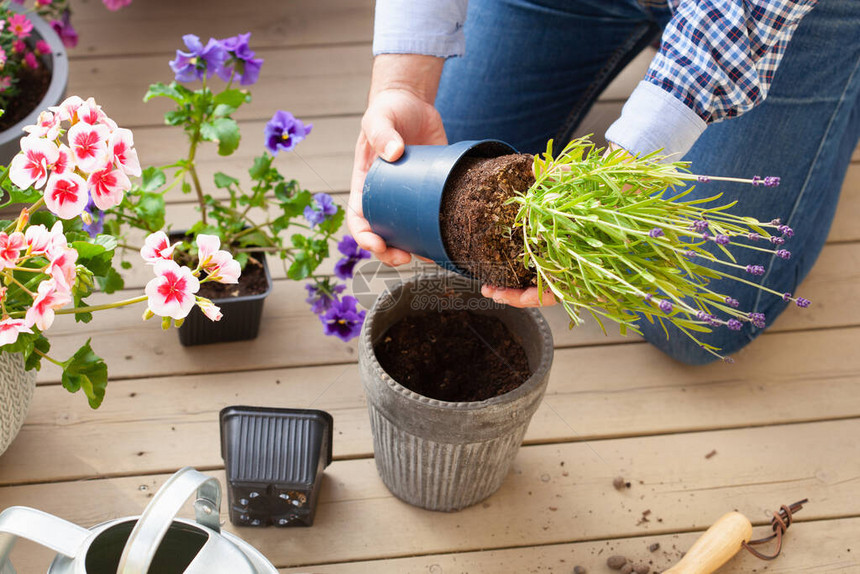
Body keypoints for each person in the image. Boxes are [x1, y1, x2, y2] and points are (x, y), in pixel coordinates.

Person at [348, 0, 860, 364]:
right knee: (435, 180)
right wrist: (405, 84)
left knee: (693, 316)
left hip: (778, 15)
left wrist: (612, 179)